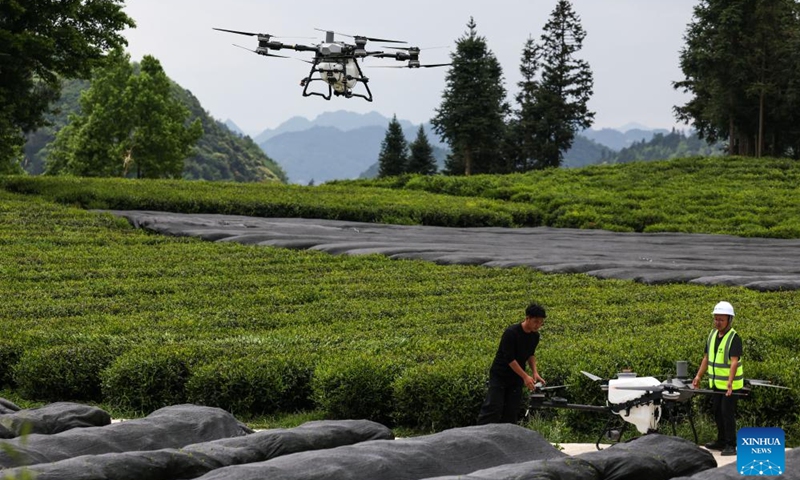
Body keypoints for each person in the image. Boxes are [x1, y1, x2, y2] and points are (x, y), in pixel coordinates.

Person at [477, 302, 546, 425]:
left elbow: (531, 354)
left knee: (511, 410)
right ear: (527, 318)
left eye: (541, 322)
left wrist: (535, 372)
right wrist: (525, 376)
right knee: (493, 407)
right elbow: (510, 359)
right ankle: (480, 435)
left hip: (516, 377)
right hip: (500, 375)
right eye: (536, 321)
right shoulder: (511, 333)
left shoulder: (535, 336)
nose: (538, 325)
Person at [692, 301, 743, 457]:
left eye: (721, 319)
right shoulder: (712, 335)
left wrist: (730, 382)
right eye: (716, 319)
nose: (717, 322)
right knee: (717, 412)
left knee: (727, 413)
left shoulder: (734, 338)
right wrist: (698, 376)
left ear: (729, 320)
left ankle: (730, 444)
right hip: (716, 384)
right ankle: (721, 441)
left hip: (730, 385)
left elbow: (734, 362)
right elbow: (706, 358)